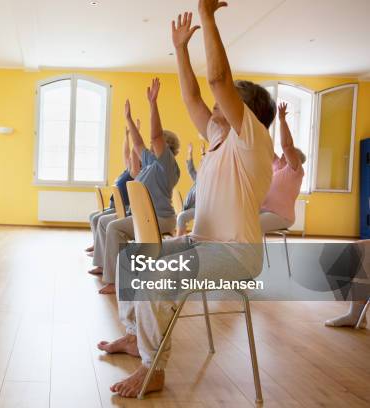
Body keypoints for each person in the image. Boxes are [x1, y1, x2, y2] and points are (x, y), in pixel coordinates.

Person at [99, 4, 276, 398]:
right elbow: (195, 95)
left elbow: (216, 80)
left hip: (234, 253)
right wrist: (179, 49)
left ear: (246, 112)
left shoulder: (253, 141)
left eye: (223, 106)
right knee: (131, 257)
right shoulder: (218, 140)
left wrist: (208, 19)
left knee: (157, 278)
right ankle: (136, 337)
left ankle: (153, 366)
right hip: (201, 242)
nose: (212, 111)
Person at [90, 78, 180, 294]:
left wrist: (153, 104)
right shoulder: (150, 162)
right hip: (144, 216)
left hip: (160, 218)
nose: (150, 146)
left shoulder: (167, 165)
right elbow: (139, 144)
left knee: (114, 227)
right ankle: (105, 266)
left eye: (156, 145)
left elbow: (155, 136)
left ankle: (114, 281)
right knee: (105, 222)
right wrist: (128, 120)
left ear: (167, 149)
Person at [86, 125, 140, 257]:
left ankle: (100, 251)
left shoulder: (135, 173)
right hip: (115, 206)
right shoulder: (127, 170)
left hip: (122, 208)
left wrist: (135, 133)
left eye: (133, 159)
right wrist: (127, 136)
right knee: (93, 217)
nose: (129, 159)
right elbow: (126, 153)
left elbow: (134, 151)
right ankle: (98, 246)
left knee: (98, 218)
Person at [260, 102, 306, 232]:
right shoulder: (277, 166)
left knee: (247, 227)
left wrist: (282, 120)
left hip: (281, 216)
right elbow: (265, 145)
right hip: (264, 210)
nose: (283, 154)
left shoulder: (295, 171)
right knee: (236, 218)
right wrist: (262, 124)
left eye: (289, 155)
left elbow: (287, 146)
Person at [176, 142, 205, 236]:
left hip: (201, 209)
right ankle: (182, 237)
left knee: (181, 217)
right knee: (181, 217)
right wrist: (190, 152)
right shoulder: (198, 178)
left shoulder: (208, 182)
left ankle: (179, 239)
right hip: (192, 207)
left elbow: (205, 162)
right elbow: (190, 168)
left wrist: (203, 154)